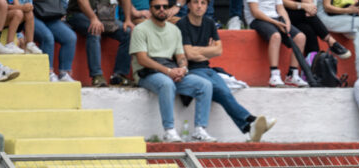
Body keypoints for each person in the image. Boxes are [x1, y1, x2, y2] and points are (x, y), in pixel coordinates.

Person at [179, 0, 275, 140]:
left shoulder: (209, 23)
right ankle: (249, 122)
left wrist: (198, 51)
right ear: (188, 5)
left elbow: (219, 50)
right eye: (195, 2)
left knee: (225, 92)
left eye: (203, 3)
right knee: (221, 92)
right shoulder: (182, 24)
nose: (199, 6)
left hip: (207, 68)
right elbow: (188, 54)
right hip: (191, 70)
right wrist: (207, 50)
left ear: (207, 6)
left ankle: (249, 126)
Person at [132, 0, 215, 142]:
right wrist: (168, 71)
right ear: (150, 9)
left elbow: (181, 56)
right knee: (166, 84)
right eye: (157, 7)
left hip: (169, 69)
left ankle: (200, 130)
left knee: (204, 85)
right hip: (147, 72)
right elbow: (142, 60)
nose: (162, 9)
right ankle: (169, 130)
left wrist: (182, 69)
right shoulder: (140, 29)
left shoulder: (175, 30)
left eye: (166, 6)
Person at [69, 0, 134, 87]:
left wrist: (128, 19)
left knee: (127, 32)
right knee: (95, 30)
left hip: (104, 17)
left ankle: (119, 76)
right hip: (77, 14)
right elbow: (81, 1)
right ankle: (97, 76)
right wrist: (93, 18)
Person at [248, 0, 310, 87]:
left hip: (276, 19)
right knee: (276, 36)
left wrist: (287, 23)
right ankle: (274, 75)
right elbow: (255, 12)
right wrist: (276, 23)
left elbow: (281, 9)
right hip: (257, 19)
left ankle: (292, 75)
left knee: (300, 37)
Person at [318, 0, 359, 80]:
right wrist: (348, 10)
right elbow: (327, 8)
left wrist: (358, 10)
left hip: (344, 17)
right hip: (325, 18)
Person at [282, 0, 351, 60]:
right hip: (279, 14)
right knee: (305, 13)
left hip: (298, 15)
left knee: (308, 29)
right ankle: (331, 41)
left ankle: (314, 66)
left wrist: (309, 6)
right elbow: (281, 2)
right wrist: (302, 6)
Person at [33, 0, 78, 81]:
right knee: (47, 37)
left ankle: (64, 73)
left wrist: (61, 11)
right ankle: (48, 72)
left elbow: (64, 2)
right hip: (31, 15)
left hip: (50, 14)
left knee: (70, 37)